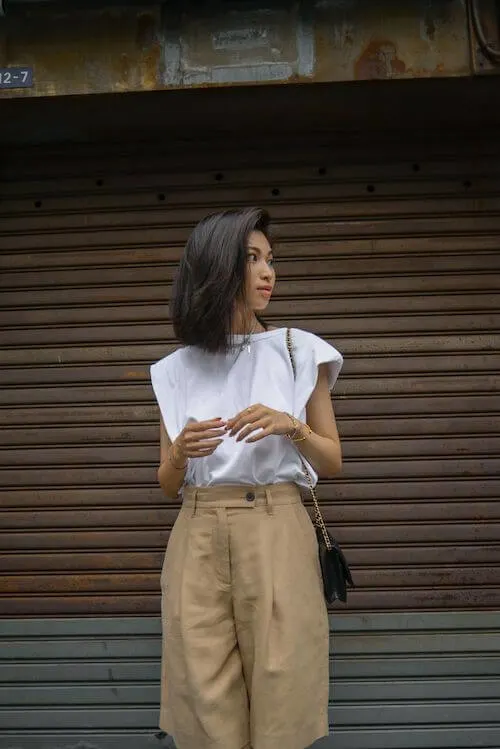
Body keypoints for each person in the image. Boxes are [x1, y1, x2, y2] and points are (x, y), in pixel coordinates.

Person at [150, 207, 343, 749]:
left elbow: (332, 460)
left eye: (270, 260)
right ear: (216, 268)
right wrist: (181, 453)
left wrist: (291, 426)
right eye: (252, 259)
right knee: (204, 696)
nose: (268, 273)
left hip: (276, 524)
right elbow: (168, 485)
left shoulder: (297, 349)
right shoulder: (177, 369)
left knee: (283, 691)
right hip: (198, 530)